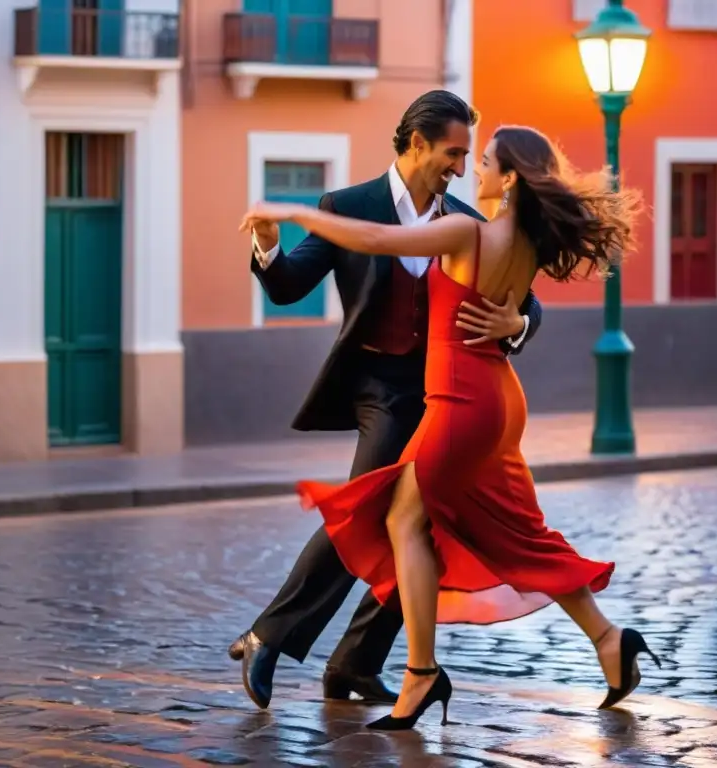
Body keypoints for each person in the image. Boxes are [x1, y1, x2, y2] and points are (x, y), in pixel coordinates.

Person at [239, 125, 660, 731]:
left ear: (510, 178)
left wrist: (291, 208)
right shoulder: (526, 240)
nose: (472, 170)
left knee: (401, 519)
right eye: (463, 155)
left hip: (460, 402)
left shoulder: (466, 229)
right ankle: (608, 640)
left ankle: (420, 674)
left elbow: (377, 238)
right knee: (519, 534)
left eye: (483, 160)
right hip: (495, 399)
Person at [229, 91, 544, 711]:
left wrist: (517, 323)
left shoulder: (466, 219)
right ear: (417, 143)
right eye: (452, 153)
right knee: (370, 507)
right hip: (380, 386)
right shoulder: (348, 206)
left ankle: (354, 662)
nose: (459, 167)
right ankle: (269, 634)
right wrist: (268, 247)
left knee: (426, 526)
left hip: (448, 391)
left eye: (467, 157)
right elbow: (290, 286)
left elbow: (525, 298)